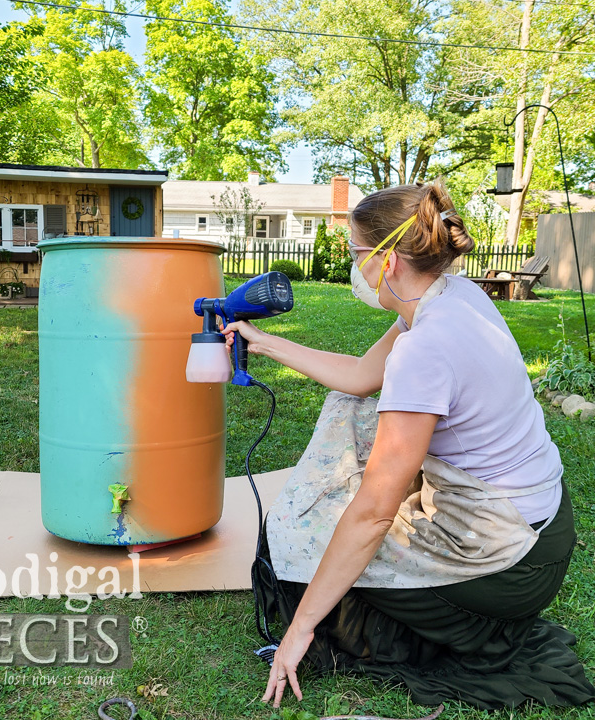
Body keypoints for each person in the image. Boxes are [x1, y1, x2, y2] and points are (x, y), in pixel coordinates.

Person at [222, 180, 595, 711]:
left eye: (355, 254)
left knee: (306, 538)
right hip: (542, 523)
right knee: (352, 411)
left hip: (508, 562)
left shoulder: (426, 349)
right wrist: (266, 342)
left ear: (388, 260)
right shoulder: (451, 296)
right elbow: (356, 377)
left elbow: (372, 514)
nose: (355, 267)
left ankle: (412, 621)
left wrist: (301, 626)